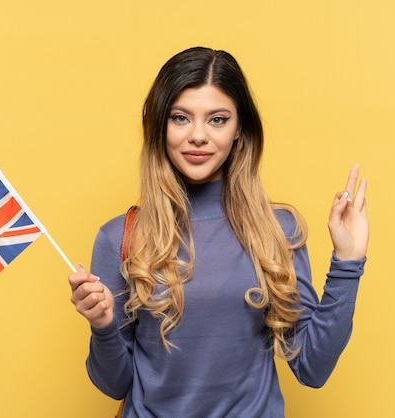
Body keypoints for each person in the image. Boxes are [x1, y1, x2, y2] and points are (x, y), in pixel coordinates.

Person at [69, 46, 369, 417]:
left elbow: (312, 368)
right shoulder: (120, 237)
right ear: (160, 126)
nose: (198, 136)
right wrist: (102, 327)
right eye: (180, 118)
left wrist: (347, 263)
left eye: (217, 119)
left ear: (239, 128)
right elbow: (113, 384)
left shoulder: (277, 231)